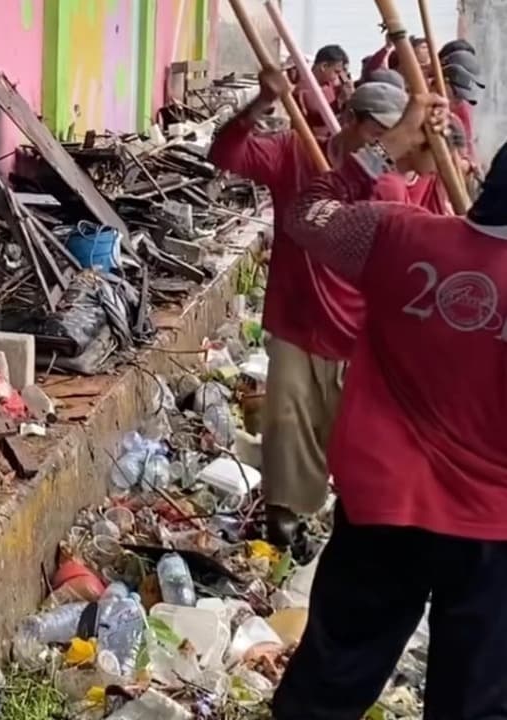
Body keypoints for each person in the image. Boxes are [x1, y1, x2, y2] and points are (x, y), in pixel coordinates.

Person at [272, 91, 507, 720]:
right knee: (477, 703)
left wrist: (385, 150)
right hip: (493, 530)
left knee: (329, 683)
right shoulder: (400, 230)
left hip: (383, 507)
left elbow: (307, 213)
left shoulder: (397, 235)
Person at [208, 74, 416, 544]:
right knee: (288, 434)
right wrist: (262, 101)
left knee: (357, 446)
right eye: (375, 130)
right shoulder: (296, 150)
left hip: (356, 336)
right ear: (347, 119)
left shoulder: (389, 187)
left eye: (391, 132)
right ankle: (284, 523)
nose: (383, 141)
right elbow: (225, 153)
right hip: (297, 324)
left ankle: (357, 531)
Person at [291, 44, 353, 140]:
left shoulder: (332, 85)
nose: (337, 77)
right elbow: (319, 115)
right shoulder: (303, 91)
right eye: (336, 72)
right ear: (324, 66)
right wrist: (339, 102)